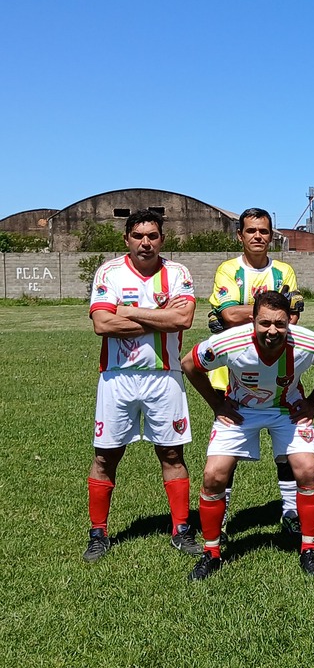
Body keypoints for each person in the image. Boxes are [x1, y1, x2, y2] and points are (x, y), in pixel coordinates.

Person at [181, 291, 314, 580]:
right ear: (253, 320)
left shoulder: (307, 342)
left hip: (287, 409)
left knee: (306, 470)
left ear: (289, 322)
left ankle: (309, 548)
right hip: (241, 410)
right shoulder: (230, 342)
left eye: (280, 324)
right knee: (213, 475)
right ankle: (212, 552)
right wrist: (217, 404)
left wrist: (313, 401)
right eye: (264, 323)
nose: (272, 331)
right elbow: (189, 364)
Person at [83, 209, 200, 562]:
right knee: (106, 455)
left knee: (171, 452)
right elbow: (102, 324)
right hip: (117, 378)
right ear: (127, 239)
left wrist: (129, 312)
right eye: (138, 236)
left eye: (152, 236)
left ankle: (180, 529)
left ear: (162, 239)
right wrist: (159, 319)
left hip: (165, 376)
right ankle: (98, 533)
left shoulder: (177, 273)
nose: (145, 243)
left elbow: (183, 319)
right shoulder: (110, 272)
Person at [207, 207, 304, 534]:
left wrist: (240, 314)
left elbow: (290, 318)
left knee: (286, 450)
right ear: (240, 235)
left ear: (271, 234)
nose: (258, 236)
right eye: (251, 231)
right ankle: (220, 516)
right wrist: (270, 313)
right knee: (227, 451)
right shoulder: (227, 270)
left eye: (263, 231)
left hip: (279, 373)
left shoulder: (284, 271)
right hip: (232, 375)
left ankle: (290, 513)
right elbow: (228, 313)